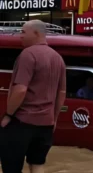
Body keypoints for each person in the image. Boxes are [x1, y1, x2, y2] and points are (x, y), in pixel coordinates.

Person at [0, 20, 66, 173]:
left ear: (36, 33)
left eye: (23, 32)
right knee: (37, 164)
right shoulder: (58, 58)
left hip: (22, 121)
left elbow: (20, 90)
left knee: (11, 167)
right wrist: (54, 118)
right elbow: (61, 92)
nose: (20, 36)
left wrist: (8, 115)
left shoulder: (27, 55)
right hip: (46, 125)